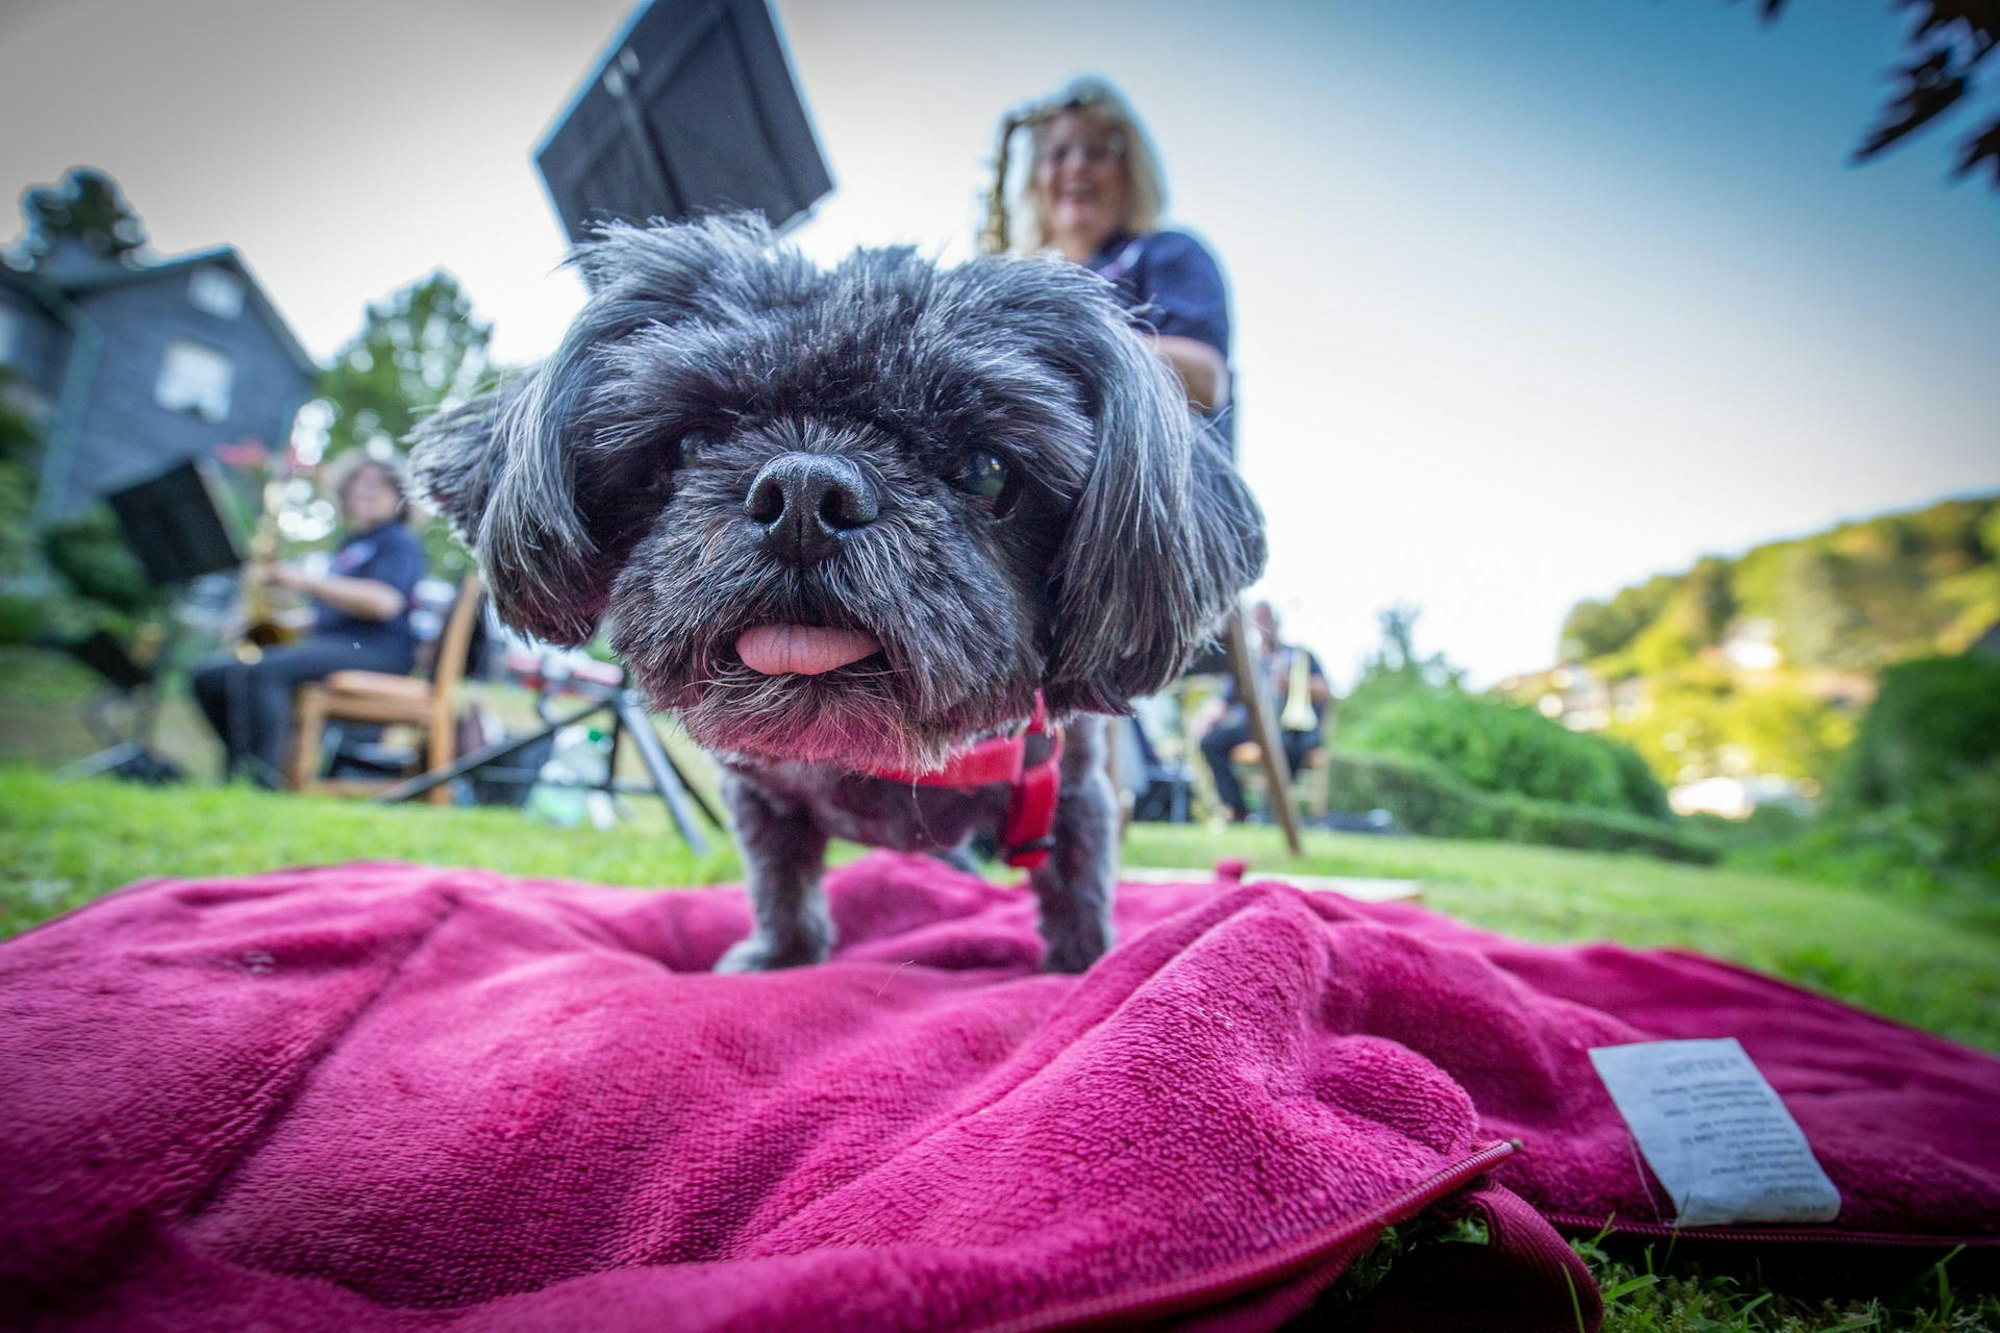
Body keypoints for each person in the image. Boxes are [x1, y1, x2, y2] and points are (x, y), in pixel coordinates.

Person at [990, 76, 1234, 447]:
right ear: (1036, 179)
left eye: (1096, 152)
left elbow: (1205, 380)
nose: (1075, 167)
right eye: (1057, 154)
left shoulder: (1169, 253)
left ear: (1130, 169)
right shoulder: (1020, 277)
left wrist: (1057, 338)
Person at [191, 452, 427, 788]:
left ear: (399, 496)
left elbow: (383, 602)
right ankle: (241, 769)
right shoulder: (351, 545)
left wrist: (303, 580)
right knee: (211, 677)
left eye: (380, 483)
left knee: (263, 672)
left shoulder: (397, 541)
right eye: (359, 480)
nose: (366, 490)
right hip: (337, 643)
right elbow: (330, 615)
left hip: (380, 652)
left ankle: (262, 782)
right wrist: (276, 623)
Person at [1195, 602, 1332, 824]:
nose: (1263, 626)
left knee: (1291, 747)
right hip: (1253, 726)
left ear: (1277, 623)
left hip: (1290, 727)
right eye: (1258, 621)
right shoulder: (1250, 660)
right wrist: (1208, 716)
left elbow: (1324, 689)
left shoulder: (1299, 656)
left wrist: (1288, 682)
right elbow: (1226, 697)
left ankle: (1276, 809)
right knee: (1211, 742)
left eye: (1267, 620)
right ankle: (1237, 808)